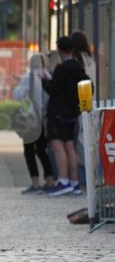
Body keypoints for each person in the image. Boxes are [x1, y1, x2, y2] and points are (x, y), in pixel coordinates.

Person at [42, 35, 86, 197]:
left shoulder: (61, 69)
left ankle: (64, 181)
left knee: (57, 147)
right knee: (70, 147)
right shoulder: (78, 67)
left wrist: (44, 80)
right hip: (72, 115)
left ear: (59, 50)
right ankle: (74, 182)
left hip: (58, 114)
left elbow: (53, 89)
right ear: (73, 49)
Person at [12, 53, 55, 194]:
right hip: (44, 119)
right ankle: (49, 180)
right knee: (42, 151)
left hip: (31, 119)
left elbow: (18, 95)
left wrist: (19, 84)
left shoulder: (29, 77)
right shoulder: (48, 76)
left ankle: (35, 183)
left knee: (29, 152)